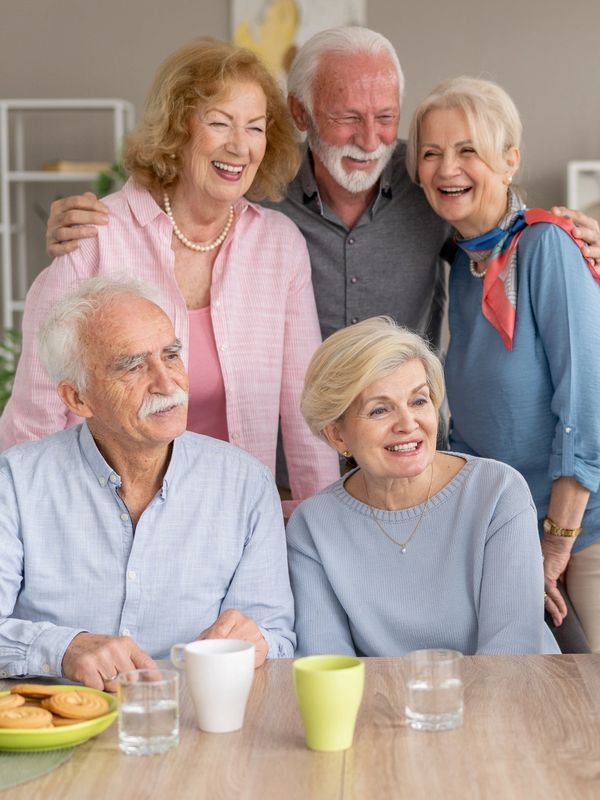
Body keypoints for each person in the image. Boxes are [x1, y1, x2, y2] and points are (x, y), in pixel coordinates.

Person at [44, 27, 600, 350]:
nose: (369, 139)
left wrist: (565, 235)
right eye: (346, 117)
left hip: (404, 453)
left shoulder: (427, 181)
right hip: (282, 463)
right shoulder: (254, 186)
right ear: (300, 111)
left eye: (385, 117)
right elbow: (170, 200)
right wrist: (90, 223)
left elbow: (496, 229)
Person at [0, 37, 339, 516]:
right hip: (106, 516)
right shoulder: (95, 237)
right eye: (219, 122)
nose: (239, 145)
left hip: (233, 516)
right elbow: (36, 418)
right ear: (178, 130)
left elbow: (306, 408)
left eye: (255, 127)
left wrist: (318, 527)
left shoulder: (279, 245)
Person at [0, 278, 295, 689]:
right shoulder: (14, 483)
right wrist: (64, 648)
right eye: (133, 366)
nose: (167, 382)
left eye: (171, 355)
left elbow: (277, 638)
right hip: (56, 727)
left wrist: (258, 640)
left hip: (195, 722)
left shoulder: (246, 485)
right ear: (77, 399)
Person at [406, 77, 600, 650]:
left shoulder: (546, 247)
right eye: (431, 153)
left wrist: (557, 545)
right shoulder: (465, 266)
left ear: (509, 160)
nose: (448, 169)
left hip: (584, 538)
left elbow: (585, 406)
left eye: (468, 150)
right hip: (515, 543)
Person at [286, 316, 558, 656]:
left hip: (509, 700)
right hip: (381, 706)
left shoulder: (497, 491)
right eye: (380, 409)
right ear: (336, 434)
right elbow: (328, 666)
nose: (408, 424)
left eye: (419, 401)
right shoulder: (312, 526)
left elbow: (511, 655)